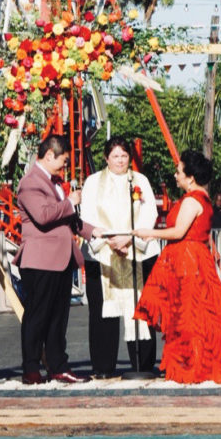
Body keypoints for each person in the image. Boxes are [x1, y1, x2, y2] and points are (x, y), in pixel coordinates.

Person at [133, 150, 221, 385]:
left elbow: (178, 232)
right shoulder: (203, 198)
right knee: (197, 315)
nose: (175, 175)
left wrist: (149, 233)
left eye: (179, 171)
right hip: (195, 258)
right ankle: (196, 363)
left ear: (190, 177)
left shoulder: (191, 200)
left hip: (188, 258)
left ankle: (193, 366)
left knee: (189, 315)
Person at [14, 134, 103, 384]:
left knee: (58, 318)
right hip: (40, 259)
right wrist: (69, 201)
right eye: (62, 161)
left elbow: (66, 219)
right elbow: (43, 216)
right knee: (37, 315)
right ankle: (31, 368)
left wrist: (91, 230)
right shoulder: (30, 182)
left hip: (61, 258)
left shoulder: (53, 182)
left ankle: (58, 365)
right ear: (49, 155)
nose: (64, 166)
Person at [80, 136, 159, 377]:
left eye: (124, 156)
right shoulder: (93, 182)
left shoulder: (140, 180)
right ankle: (103, 366)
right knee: (103, 311)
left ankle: (142, 363)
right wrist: (109, 241)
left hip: (136, 251)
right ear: (106, 158)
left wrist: (131, 239)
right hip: (104, 253)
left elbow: (149, 212)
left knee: (140, 309)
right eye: (115, 156)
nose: (120, 161)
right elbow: (88, 213)